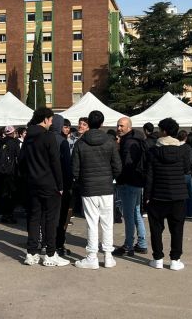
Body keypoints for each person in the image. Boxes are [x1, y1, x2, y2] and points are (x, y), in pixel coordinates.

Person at [72, 110, 122, 269]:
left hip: (88, 188)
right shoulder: (110, 142)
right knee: (107, 222)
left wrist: (81, 182)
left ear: (89, 123)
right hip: (106, 186)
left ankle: (92, 256)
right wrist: (110, 177)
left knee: (92, 222)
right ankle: (108, 256)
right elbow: (117, 166)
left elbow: (75, 169)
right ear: (101, 123)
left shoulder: (80, 143)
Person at [19, 108, 70, 267]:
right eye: (51, 119)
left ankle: (31, 253)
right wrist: (60, 185)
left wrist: (28, 178)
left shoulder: (28, 137)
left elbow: (21, 161)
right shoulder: (48, 137)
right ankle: (50, 254)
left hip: (32, 183)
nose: (52, 122)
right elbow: (55, 162)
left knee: (34, 218)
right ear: (46, 119)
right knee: (50, 219)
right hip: (49, 184)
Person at [145, 118, 192, 271]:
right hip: (178, 195)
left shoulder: (153, 150)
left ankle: (158, 258)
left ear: (164, 131)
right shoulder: (184, 150)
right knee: (177, 229)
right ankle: (175, 260)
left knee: (156, 229)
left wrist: (146, 196)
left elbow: (149, 175)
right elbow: (186, 169)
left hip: (157, 195)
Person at [113, 117, 148, 257]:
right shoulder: (138, 139)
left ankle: (128, 245)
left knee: (128, 215)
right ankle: (142, 243)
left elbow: (126, 164)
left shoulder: (128, 142)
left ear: (129, 127)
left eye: (121, 126)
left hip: (129, 182)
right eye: (118, 126)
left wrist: (119, 178)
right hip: (138, 182)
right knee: (136, 213)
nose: (118, 128)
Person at [48, 114, 74, 258]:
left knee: (48, 216)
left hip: (45, 184)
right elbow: (66, 167)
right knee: (61, 217)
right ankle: (58, 245)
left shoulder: (43, 138)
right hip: (61, 185)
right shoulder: (62, 142)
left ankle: (47, 243)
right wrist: (68, 185)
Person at [0, 125, 21, 224]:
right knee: (11, 195)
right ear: (13, 133)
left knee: (2, 193)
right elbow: (19, 157)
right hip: (11, 173)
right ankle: (9, 215)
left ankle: (3, 214)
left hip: (0, 173)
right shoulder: (15, 143)